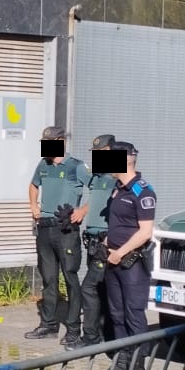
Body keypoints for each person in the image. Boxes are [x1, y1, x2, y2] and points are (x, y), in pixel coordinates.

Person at [95, 141, 156, 370]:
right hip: (113, 260)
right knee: (116, 316)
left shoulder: (143, 191)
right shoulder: (117, 189)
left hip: (132, 263)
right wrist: (107, 243)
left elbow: (145, 232)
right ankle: (121, 364)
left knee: (134, 317)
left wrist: (120, 251)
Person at [27, 126, 90, 343]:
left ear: (61, 141)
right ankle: (48, 325)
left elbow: (102, 189)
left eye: (51, 141)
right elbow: (34, 185)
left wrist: (82, 211)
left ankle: (74, 329)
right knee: (48, 279)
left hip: (65, 230)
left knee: (70, 278)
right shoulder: (43, 164)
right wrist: (33, 205)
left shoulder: (77, 166)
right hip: (44, 228)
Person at [73, 134, 118, 350]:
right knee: (100, 289)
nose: (97, 157)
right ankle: (104, 334)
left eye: (101, 153)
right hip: (93, 240)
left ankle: (91, 337)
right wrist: (82, 210)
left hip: (106, 242)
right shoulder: (99, 176)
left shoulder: (118, 179)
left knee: (89, 288)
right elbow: (97, 202)